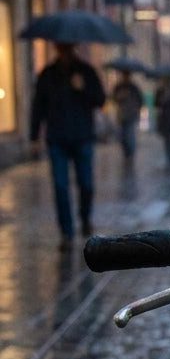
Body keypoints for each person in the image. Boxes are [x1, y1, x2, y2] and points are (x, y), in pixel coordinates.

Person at [30, 43, 106, 248]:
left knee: (86, 184)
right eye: (61, 48)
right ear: (57, 49)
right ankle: (66, 231)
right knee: (60, 186)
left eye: (68, 48)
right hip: (57, 138)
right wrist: (34, 136)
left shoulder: (86, 72)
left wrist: (83, 89)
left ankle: (85, 218)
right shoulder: (47, 74)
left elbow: (100, 99)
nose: (65, 52)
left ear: (74, 48)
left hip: (82, 136)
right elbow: (38, 106)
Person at [111, 70, 144, 165]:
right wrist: (120, 96)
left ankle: (130, 154)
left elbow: (140, 100)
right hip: (121, 115)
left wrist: (136, 109)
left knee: (130, 134)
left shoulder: (134, 87)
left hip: (131, 114)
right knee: (122, 135)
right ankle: (126, 153)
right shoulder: (118, 87)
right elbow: (113, 98)